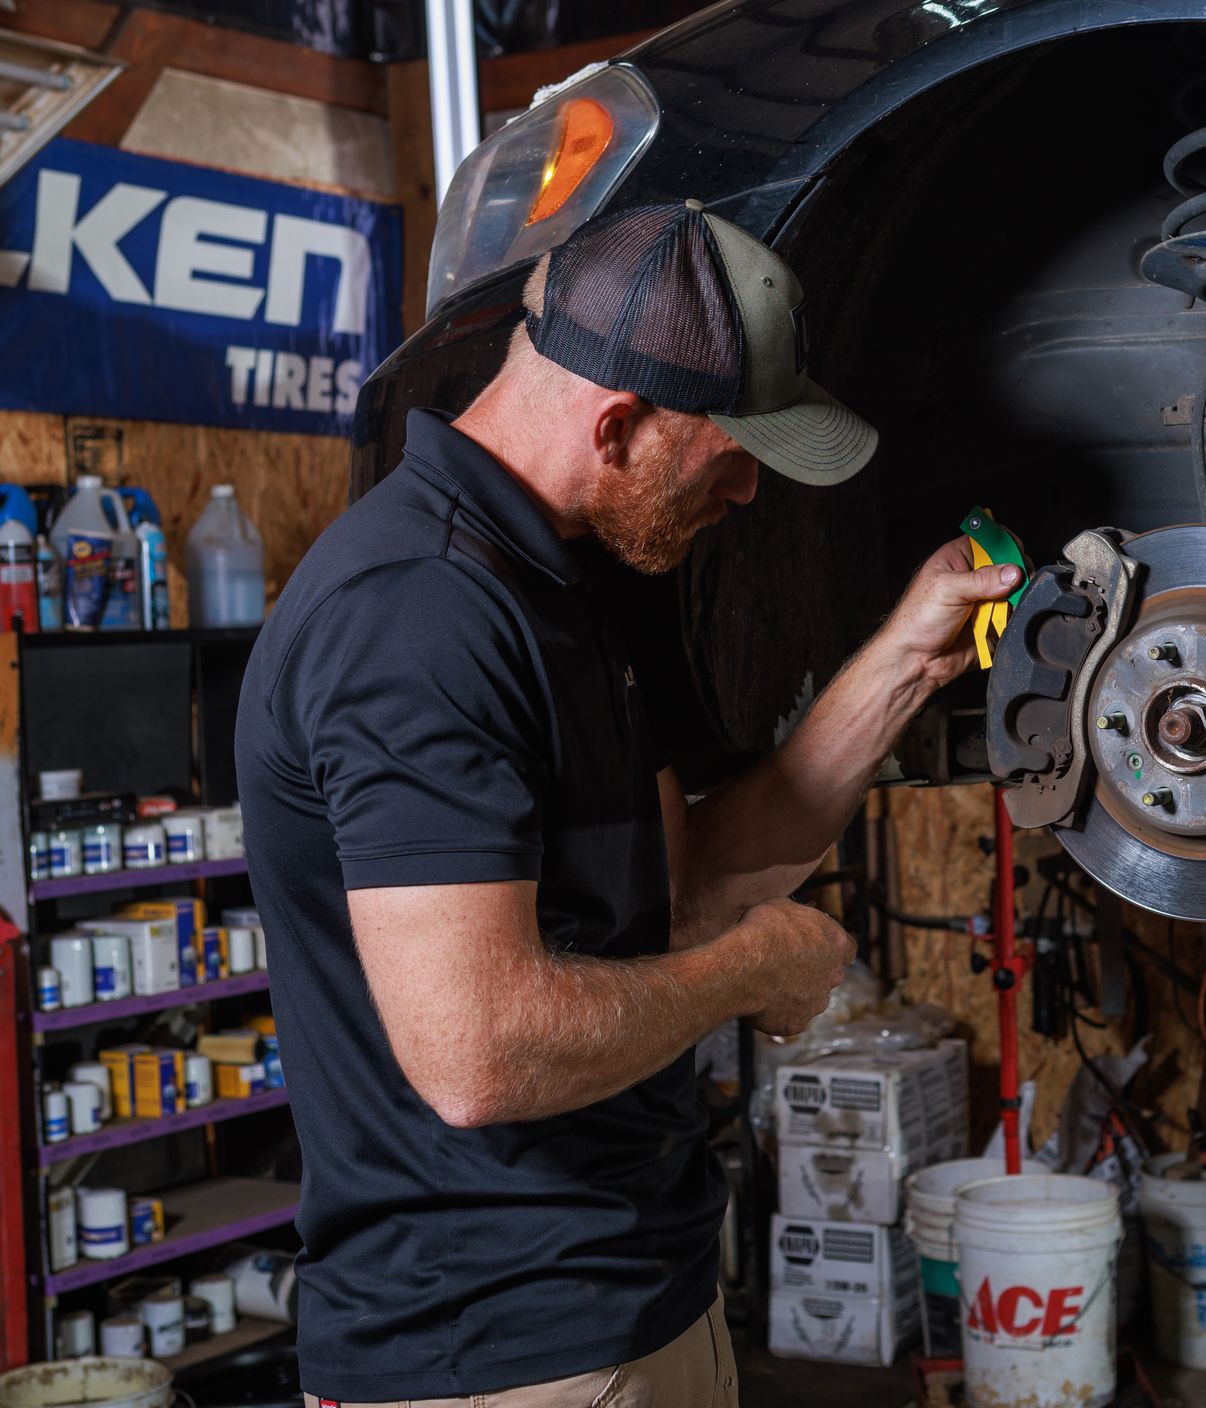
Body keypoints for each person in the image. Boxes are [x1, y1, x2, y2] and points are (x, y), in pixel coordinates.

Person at [235, 199, 1022, 1408]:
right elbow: (476, 1054)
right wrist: (753, 972)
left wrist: (908, 659)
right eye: (730, 450)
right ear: (619, 424)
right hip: (494, 1353)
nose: (751, 490)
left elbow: (689, 882)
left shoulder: (560, 580)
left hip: (633, 1301)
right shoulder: (418, 615)